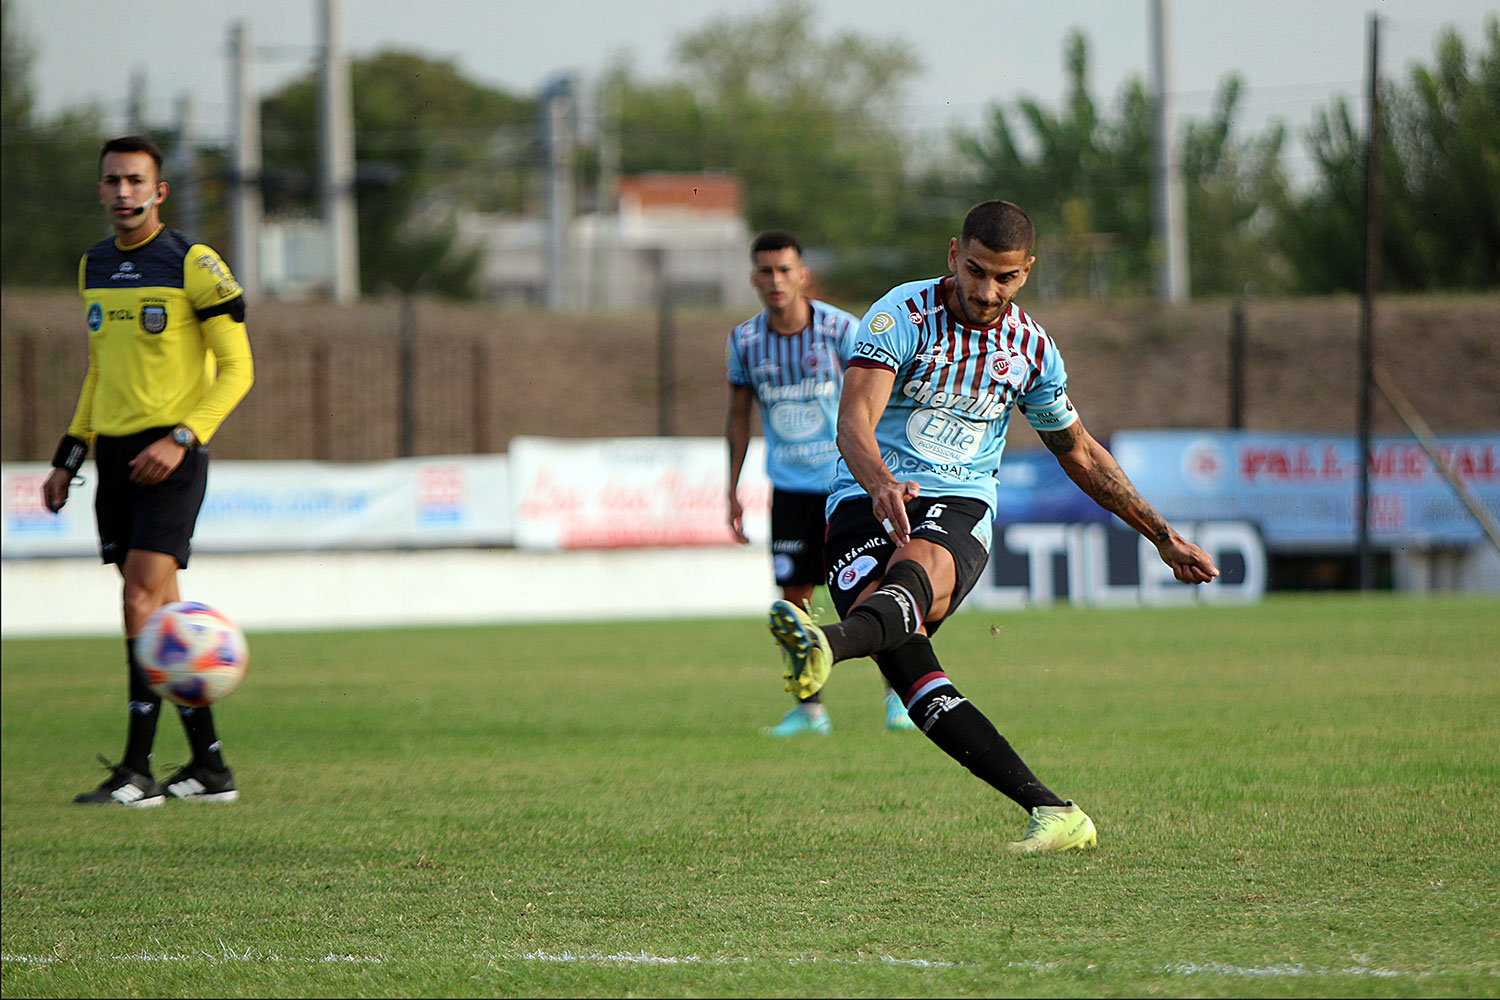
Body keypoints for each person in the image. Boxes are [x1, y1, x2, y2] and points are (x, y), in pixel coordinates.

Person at [768, 200, 1218, 852]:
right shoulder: (902, 315)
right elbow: (853, 423)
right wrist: (881, 482)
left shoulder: (1031, 351)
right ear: (954, 254)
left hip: (959, 506)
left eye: (1003, 278)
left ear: (1026, 272)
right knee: (916, 679)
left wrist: (1163, 536)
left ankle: (826, 647)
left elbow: (1083, 454)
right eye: (975, 271)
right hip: (863, 502)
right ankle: (1054, 811)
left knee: (913, 573)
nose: (986, 291)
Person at [43, 135, 255, 807]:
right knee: (163, 615)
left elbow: (238, 369)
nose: (124, 192)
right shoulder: (95, 266)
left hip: (173, 456)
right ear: (101, 190)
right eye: (113, 181)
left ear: (159, 191)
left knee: (138, 599)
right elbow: (101, 372)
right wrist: (69, 455)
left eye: (136, 180)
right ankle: (210, 769)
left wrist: (184, 437)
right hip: (114, 455)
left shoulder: (194, 263)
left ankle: (137, 771)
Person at [727, 231, 915, 737]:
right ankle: (810, 708)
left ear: (802, 275)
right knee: (795, 601)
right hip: (789, 489)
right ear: (753, 279)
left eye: (785, 270)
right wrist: (733, 488)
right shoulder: (745, 341)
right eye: (765, 272)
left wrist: (885, 469)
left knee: (874, 590)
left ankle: (899, 698)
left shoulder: (841, 330)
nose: (775, 281)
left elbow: (877, 396)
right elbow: (739, 418)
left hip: (847, 484)